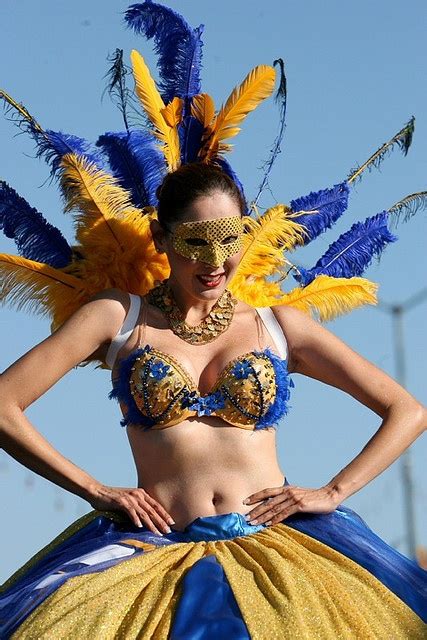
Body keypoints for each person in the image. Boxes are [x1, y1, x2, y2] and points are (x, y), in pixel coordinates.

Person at [0, 162, 426, 638]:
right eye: (197, 241)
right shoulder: (117, 316)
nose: (215, 261)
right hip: (150, 556)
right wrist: (94, 489)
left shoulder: (279, 326)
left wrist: (333, 492)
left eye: (230, 239)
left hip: (282, 551)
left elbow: (407, 411)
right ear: (161, 237)